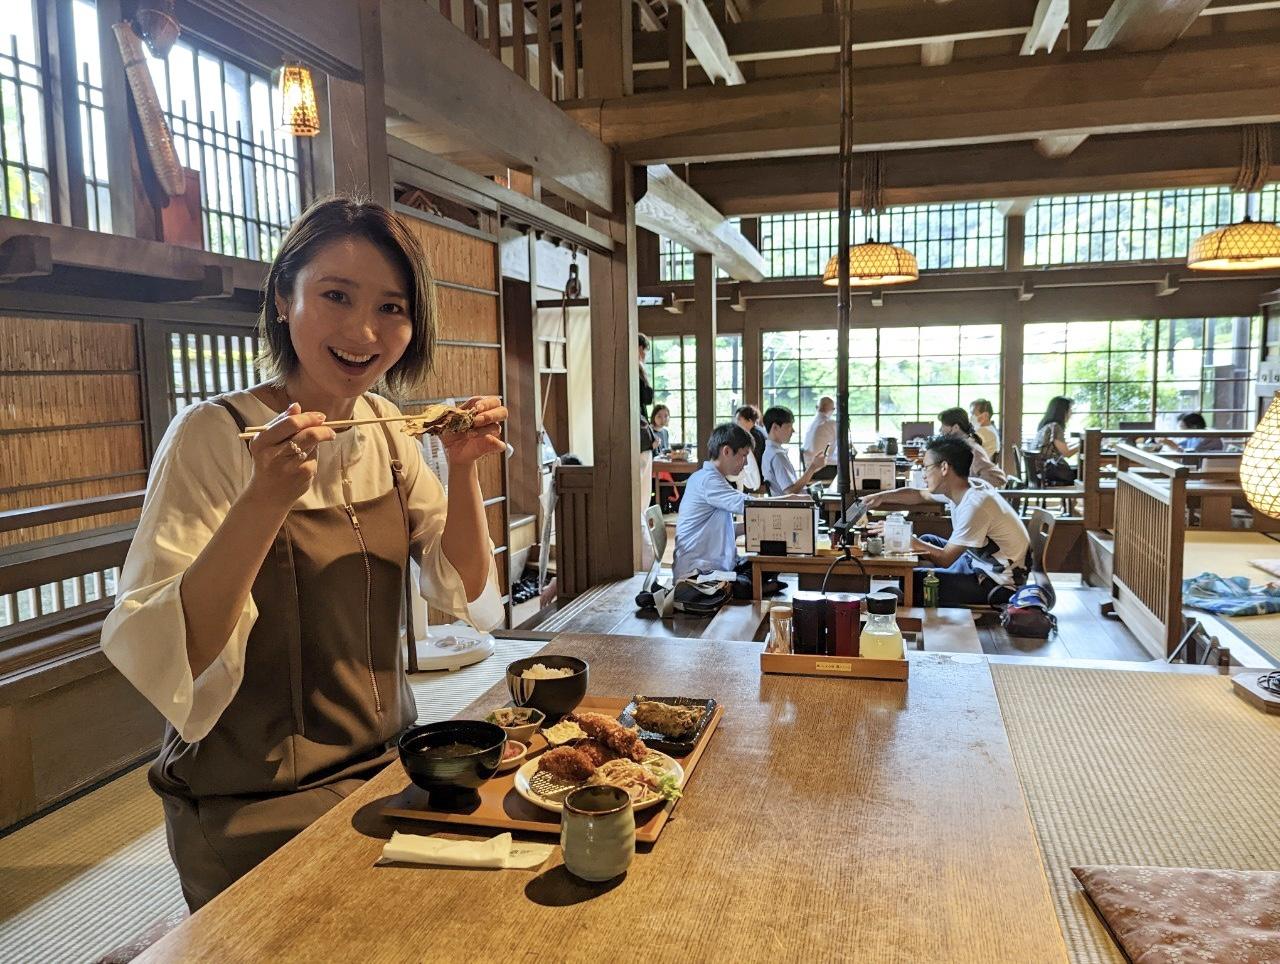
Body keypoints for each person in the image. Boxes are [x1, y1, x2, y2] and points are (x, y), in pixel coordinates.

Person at [100, 197, 507, 911]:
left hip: (387, 772)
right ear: (284, 300)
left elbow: (464, 587)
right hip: (249, 801)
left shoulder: (387, 429)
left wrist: (465, 466)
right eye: (335, 296)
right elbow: (169, 650)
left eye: (392, 307)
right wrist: (265, 498)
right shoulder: (214, 436)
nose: (364, 331)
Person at [865, 436, 1030, 607]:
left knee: (912, 582)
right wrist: (881, 496)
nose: (923, 474)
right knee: (927, 540)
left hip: (996, 583)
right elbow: (918, 494)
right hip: (976, 562)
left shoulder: (976, 505)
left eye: (926, 467)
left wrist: (905, 537)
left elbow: (945, 559)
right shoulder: (966, 487)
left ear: (944, 468)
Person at [672, 423, 781, 598]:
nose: (745, 463)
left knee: (772, 556)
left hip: (717, 567)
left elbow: (726, 527)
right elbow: (748, 505)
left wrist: (756, 527)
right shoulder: (708, 480)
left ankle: (754, 586)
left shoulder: (712, 478)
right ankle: (748, 587)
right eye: (743, 455)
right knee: (756, 575)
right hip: (699, 575)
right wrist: (791, 502)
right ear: (727, 451)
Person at [761, 406, 828, 496]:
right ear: (775, 427)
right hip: (792, 508)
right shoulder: (777, 455)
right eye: (789, 426)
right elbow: (790, 491)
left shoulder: (770, 452)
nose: (793, 431)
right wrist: (813, 467)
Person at [938, 407, 1007, 487]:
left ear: (956, 427)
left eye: (943, 426)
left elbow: (998, 478)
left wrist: (967, 487)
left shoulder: (971, 449)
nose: (940, 430)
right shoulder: (959, 447)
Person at [637, 334, 656, 535]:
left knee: (643, 486)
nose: (644, 354)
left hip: (642, 433)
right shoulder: (633, 369)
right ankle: (640, 526)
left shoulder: (637, 369)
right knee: (642, 486)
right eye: (643, 349)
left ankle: (641, 523)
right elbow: (646, 399)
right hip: (639, 436)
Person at [802, 396, 838, 482]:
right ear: (830, 409)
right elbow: (844, 445)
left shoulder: (811, 422)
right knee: (850, 467)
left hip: (808, 468)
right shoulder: (831, 423)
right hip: (820, 470)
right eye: (833, 409)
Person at [735, 405, 767, 476]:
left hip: (760, 478)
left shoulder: (755, 435)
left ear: (749, 420)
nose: (736, 422)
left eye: (739, 419)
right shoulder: (757, 431)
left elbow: (755, 461)